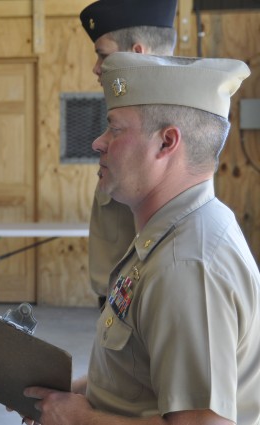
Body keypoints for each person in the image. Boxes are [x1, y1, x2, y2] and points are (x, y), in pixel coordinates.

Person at [23, 53, 258, 425]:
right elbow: (142, 377)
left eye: (115, 129)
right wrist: (76, 393)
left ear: (166, 143)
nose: (98, 143)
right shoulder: (171, 234)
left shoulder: (187, 265)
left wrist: (79, 420)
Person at [79, 0, 178, 307]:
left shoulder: (173, 121)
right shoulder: (130, 111)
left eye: (103, 54)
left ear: (136, 54)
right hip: (119, 289)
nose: (97, 68)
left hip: (141, 295)